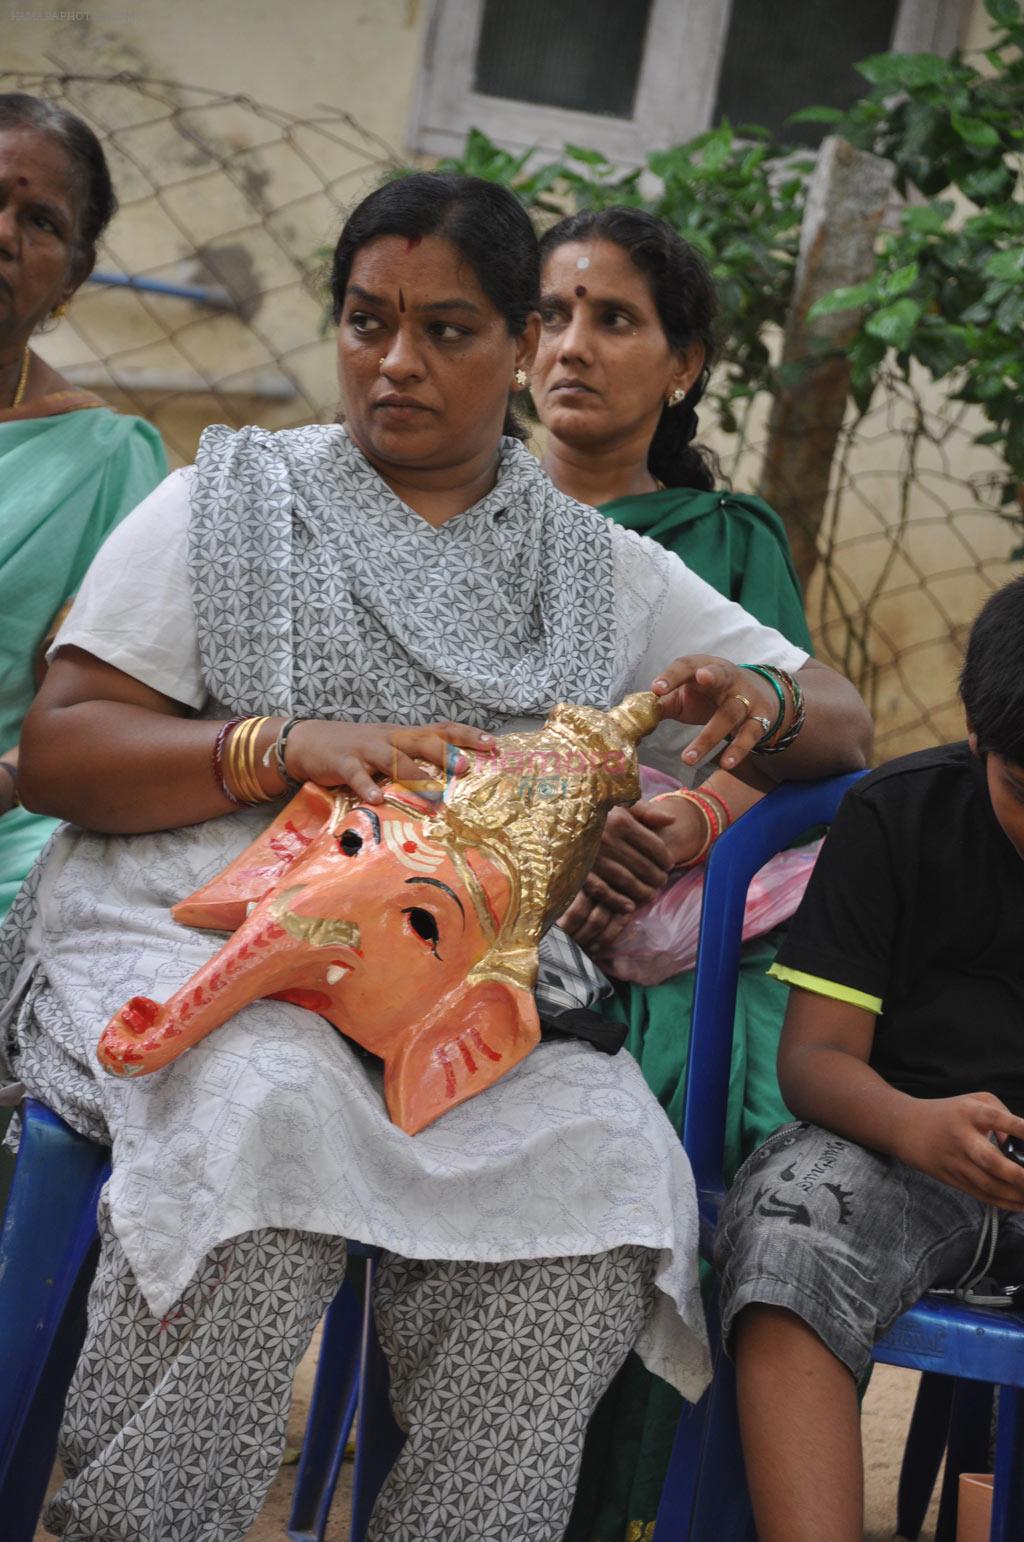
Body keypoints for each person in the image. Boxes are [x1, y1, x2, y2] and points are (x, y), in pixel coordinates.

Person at [4, 172, 870, 1542]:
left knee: (602, 1182)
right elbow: (60, 750)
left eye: (449, 330)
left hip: (448, 982)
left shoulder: (593, 567)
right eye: (366, 320)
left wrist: (753, 709)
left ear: (522, 344)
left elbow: (841, 712)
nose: (395, 363)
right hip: (202, 934)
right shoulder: (229, 499)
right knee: (267, 1112)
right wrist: (276, 744)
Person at [530, 206, 813, 1541]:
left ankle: (657, 1508)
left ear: (685, 362)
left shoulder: (725, 534)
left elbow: (797, 736)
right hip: (497, 909)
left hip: (691, 926)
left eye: (615, 319)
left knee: (742, 1085)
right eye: (551, 315)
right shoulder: (467, 515)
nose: (572, 345)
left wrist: (691, 816)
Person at [715, 575, 1024, 1542]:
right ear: (976, 732)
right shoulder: (897, 819)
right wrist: (914, 1126)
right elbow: (814, 1060)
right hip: (895, 1156)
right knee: (790, 1228)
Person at [0, 92, 167, 916]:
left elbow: (98, 713)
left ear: (73, 272)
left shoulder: (105, 462)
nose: (4, 234)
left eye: (40, 222)